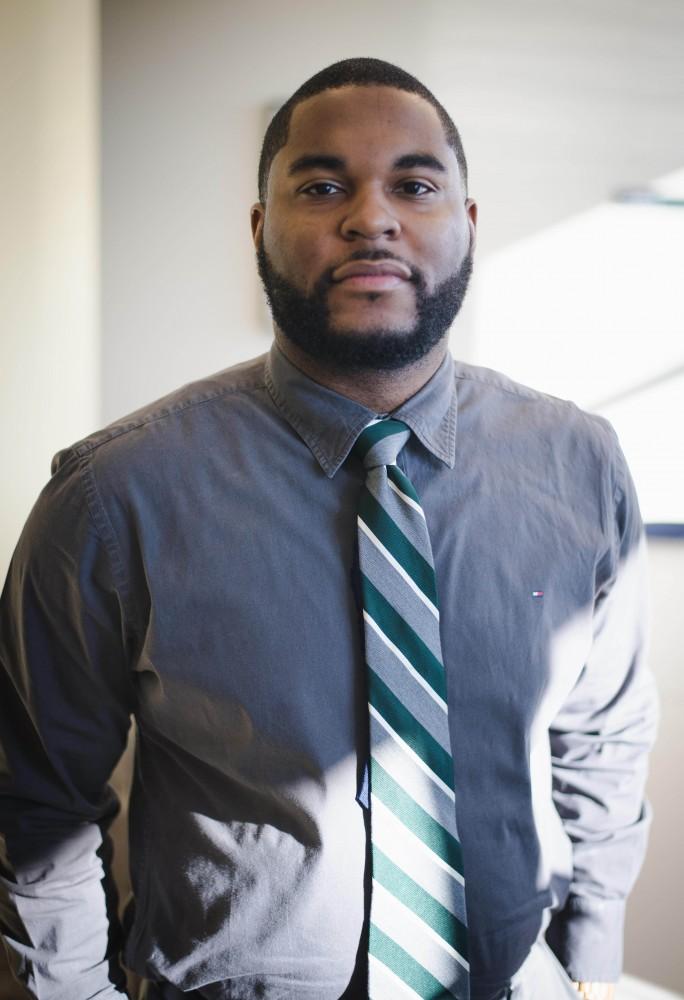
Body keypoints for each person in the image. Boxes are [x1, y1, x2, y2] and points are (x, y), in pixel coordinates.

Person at [0, 57, 657, 1000]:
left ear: (466, 226)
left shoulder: (583, 465)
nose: (372, 217)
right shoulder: (113, 495)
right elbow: (36, 805)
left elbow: (602, 746)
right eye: (322, 185)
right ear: (261, 231)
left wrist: (588, 970)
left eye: (415, 184)